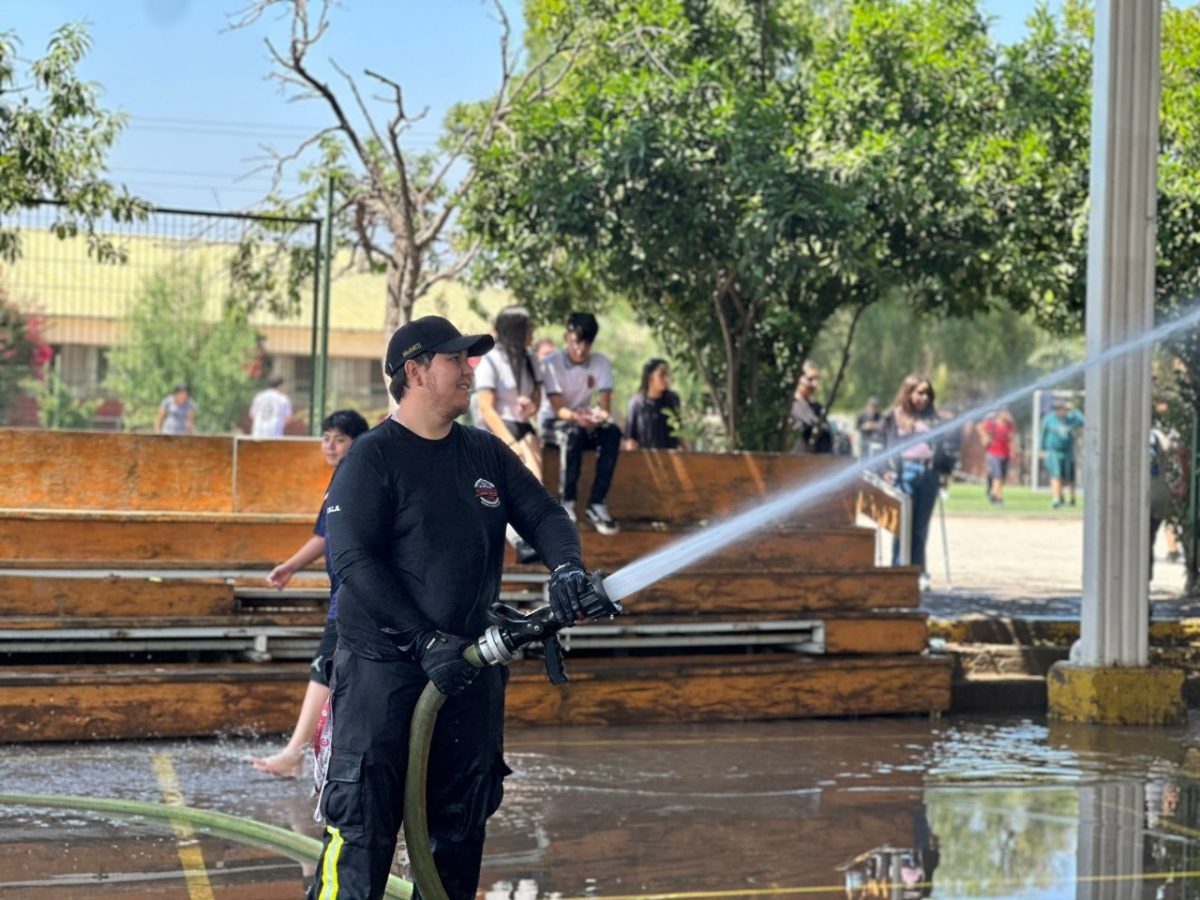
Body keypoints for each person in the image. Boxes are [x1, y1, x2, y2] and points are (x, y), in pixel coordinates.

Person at [311, 315, 595, 900]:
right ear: (415, 372)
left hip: (466, 672)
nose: (470, 368)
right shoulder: (372, 459)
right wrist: (421, 640)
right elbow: (353, 563)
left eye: (470, 358)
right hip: (383, 678)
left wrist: (566, 566)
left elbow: (544, 515)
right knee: (362, 834)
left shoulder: (484, 454)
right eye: (455, 359)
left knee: (458, 837)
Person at [250, 408, 370, 779]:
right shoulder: (339, 480)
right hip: (342, 596)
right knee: (333, 672)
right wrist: (290, 566)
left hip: (355, 596)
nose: (331, 446)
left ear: (358, 442)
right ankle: (313, 752)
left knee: (324, 670)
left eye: (340, 439)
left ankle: (295, 754)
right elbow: (323, 535)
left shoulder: (362, 477)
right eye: (326, 438)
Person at [539, 312, 622, 535]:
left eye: (587, 344)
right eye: (577, 342)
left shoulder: (601, 362)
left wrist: (598, 417)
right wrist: (579, 418)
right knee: (573, 433)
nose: (581, 349)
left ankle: (597, 503)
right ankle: (567, 504)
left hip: (584, 423)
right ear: (567, 337)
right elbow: (558, 408)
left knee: (612, 432)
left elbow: (605, 408)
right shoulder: (551, 364)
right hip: (554, 424)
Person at [474, 305, 543, 563]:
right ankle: (520, 539)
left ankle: (529, 537)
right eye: (528, 329)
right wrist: (511, 442)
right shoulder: (491, 361)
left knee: (534, 482)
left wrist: (531, 403)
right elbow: (485, 408)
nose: (532, 334)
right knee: (521, 478)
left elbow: (538, 394)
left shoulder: (531, 359)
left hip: (523, 426)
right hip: (498, 429)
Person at [881, 375, 944, 576]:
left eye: (927, 393)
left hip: (928, 473)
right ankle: (899, 569)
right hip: (905, 472)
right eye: (919, 393)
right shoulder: (894, 416)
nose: (923, 398)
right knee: (903, 526)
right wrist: (885, 471)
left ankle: (918, 569)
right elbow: (882, 448)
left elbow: (943, 447)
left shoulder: (933, 419)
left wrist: (943, 468)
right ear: (908, 393)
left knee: (920, 528)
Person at [623, 357, 687, 451]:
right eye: (662, 375)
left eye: (668, 375)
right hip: (646, 460)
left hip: (671, 458)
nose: (666, 379)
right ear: (650, 377)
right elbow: (630, 439)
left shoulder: (672, 399)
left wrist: (689, 453)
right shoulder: (636, 403)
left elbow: (679, 431)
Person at [788, 360, 833, 454]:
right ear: (798, 378)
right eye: (810, 379)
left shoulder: (818, 408)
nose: (814, 384)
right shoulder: (790, 407)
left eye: (817, 379)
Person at [1040, 400, 1078, 508]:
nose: (1061, 411)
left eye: (1063, 409)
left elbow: (1083, 421)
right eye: (1058, 409)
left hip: (1067, 452)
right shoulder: (1049, 420)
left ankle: (1062, 497)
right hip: (1054, 451)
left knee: (1065, 476)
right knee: (1055, 474)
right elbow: (1042, 434)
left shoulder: (1070, 419)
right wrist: (1041, 449)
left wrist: (1074, 409)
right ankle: (1056, 498)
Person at [978, 408, 1016, 506]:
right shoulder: (992, 424)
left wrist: (1013, 451)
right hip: (994, 453)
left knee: (1002, 477)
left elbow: (1011, 438)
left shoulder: (1009, 425)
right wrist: (985, 437)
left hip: (1005, 453)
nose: (1006, 415)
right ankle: (997, 497)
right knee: (997, 475)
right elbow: (980, 427)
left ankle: (993, 493)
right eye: (1004, 412)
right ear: (999, 414)